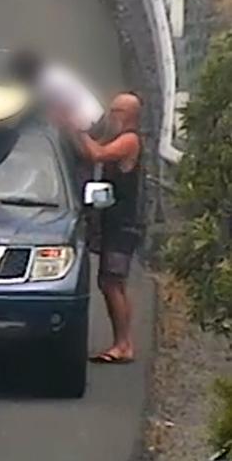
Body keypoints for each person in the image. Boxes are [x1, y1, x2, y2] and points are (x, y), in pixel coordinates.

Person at [64, 92, 144, 364]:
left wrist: (73, 126)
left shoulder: (129, 141)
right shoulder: (117, 137)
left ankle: (123, 344)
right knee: (109, 282)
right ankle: (122, 342)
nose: (112, 116)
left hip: (123, 223)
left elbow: (96, 154)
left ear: (131, 115)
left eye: (118, 112)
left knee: (112, 282)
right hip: (111, 221)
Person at [7, 49, 105, 133]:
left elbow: (59, 115)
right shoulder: (53, 71)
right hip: (96, 113)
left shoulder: (46, 86)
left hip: (88, 125)